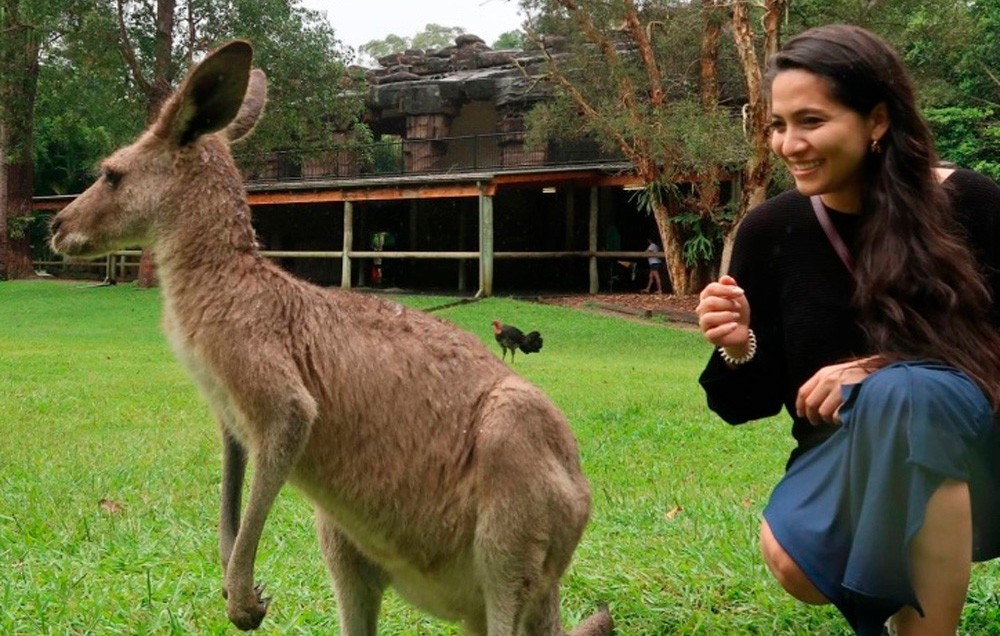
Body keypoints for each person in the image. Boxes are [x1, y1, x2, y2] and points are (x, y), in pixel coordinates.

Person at [696, 24, 1000, 636]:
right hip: (843, 456)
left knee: (909, 397)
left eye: (811, 121)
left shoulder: (972, 203)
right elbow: (742, 404)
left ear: (878, 120)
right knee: (794, 562)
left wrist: (879, 369)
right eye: (779, 125)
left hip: (979, 459)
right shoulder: (770, 232)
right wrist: (738, 346)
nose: (789, 144)